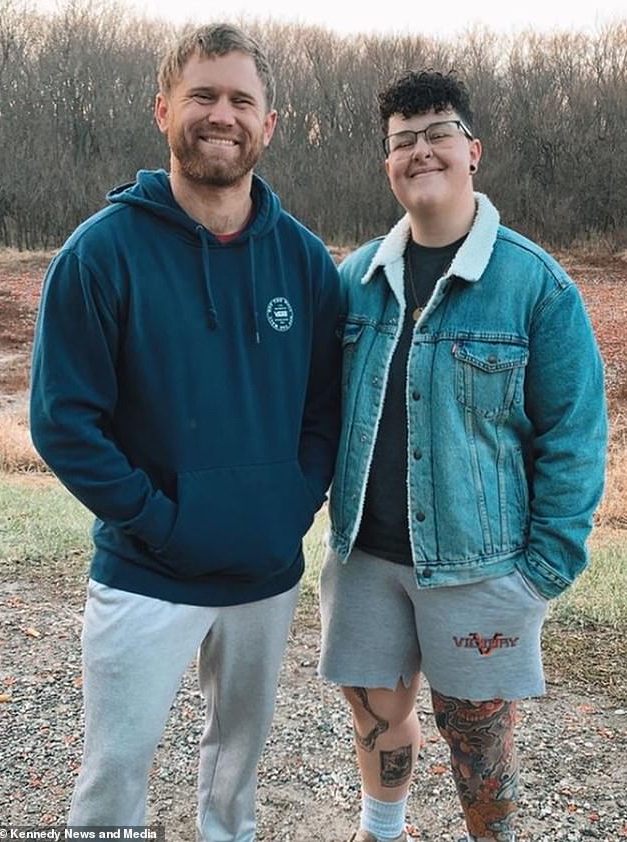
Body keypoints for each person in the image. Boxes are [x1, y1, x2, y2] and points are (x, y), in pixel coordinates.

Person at [29, 23, 341, 842]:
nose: (221, 115)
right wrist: (162, 522)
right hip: (145, 572)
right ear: (164, 108)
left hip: (265, 575)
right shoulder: (100, 255)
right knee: (112, 779)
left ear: (269, 124)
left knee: (236, 780)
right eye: (203, 95)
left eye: (242, 99)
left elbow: (326, 408)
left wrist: (289, 505)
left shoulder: (306, 262)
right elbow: (64, 423)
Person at [319, 70, 607, 842]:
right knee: (376, 712)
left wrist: (541, 573)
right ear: (388, 163)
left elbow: (576, 438)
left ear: (472, 150)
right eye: (403, 140)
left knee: (477, 738)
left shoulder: (535, 286)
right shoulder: (355, 281)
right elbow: (318, 414)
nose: (421, 150)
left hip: (482, 569)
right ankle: (382, 831)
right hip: (365, 557)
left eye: (438, 133)